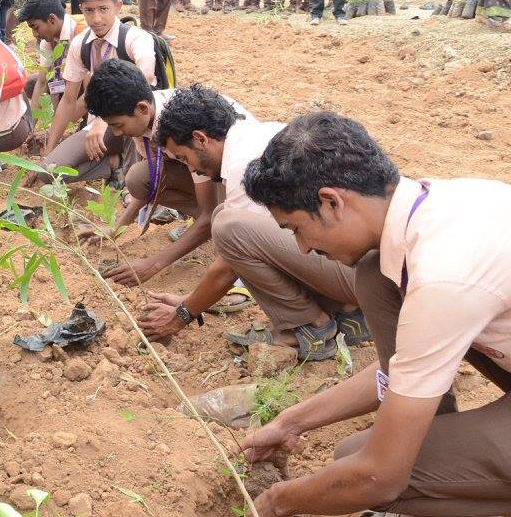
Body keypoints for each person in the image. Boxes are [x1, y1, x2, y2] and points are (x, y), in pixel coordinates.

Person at [239, 112, 511, 517]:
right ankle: (461, 499)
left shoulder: (445, 276)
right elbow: (408, 366)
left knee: (363, 467)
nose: (304, 249)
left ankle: (455, 507)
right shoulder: (436, 206)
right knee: (375, 277)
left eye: (295, 229)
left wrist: (278, 501)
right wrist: (293, 421)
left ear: (331, 202)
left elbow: (377, 477)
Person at [142, 86, 369, 360]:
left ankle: (307, 328)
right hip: (362, 271)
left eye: (183, 158)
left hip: (361, 277)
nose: (190, 169)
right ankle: (347, 313)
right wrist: (190, 300)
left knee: (228, 227)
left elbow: (228, 265)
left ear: (200, 139)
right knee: (228, 217)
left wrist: (183, 313)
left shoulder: (242, 162)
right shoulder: (258, 135)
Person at [84, 59, 252, 303]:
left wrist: (153, 265)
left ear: (142, 109)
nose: (117, 133)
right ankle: (213, 224)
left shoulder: (180, 131)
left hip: (243, 181)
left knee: (221, 221)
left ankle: (237, 274)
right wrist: (117, 228)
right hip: (219, 175)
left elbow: (207, 214)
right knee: (140, 178)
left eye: (118, 125)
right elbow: (153, 180)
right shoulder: (146, 118)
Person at [40, 0, 157, 185]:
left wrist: (102, 120)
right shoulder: (80, 45)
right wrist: (48, 152)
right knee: (48, 172)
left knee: (134, 112)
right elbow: (68, 101)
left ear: (118, 6)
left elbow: (145, 78)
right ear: (81, 10)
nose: (96, 19)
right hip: (101, 129)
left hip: (136, 124)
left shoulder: (136, 38)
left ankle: (132, 183)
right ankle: (112, 164)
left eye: (103, 9)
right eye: (88, 10)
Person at [19, 0, 79, 115]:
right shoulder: (48, 41)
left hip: (92, 85)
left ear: (52, 19)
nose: (35, 34)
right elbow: (41, 82)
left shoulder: (80, 34)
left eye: (35, 27)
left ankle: (85, 119)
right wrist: (31, 127)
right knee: (30, 84)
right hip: (71, 82)